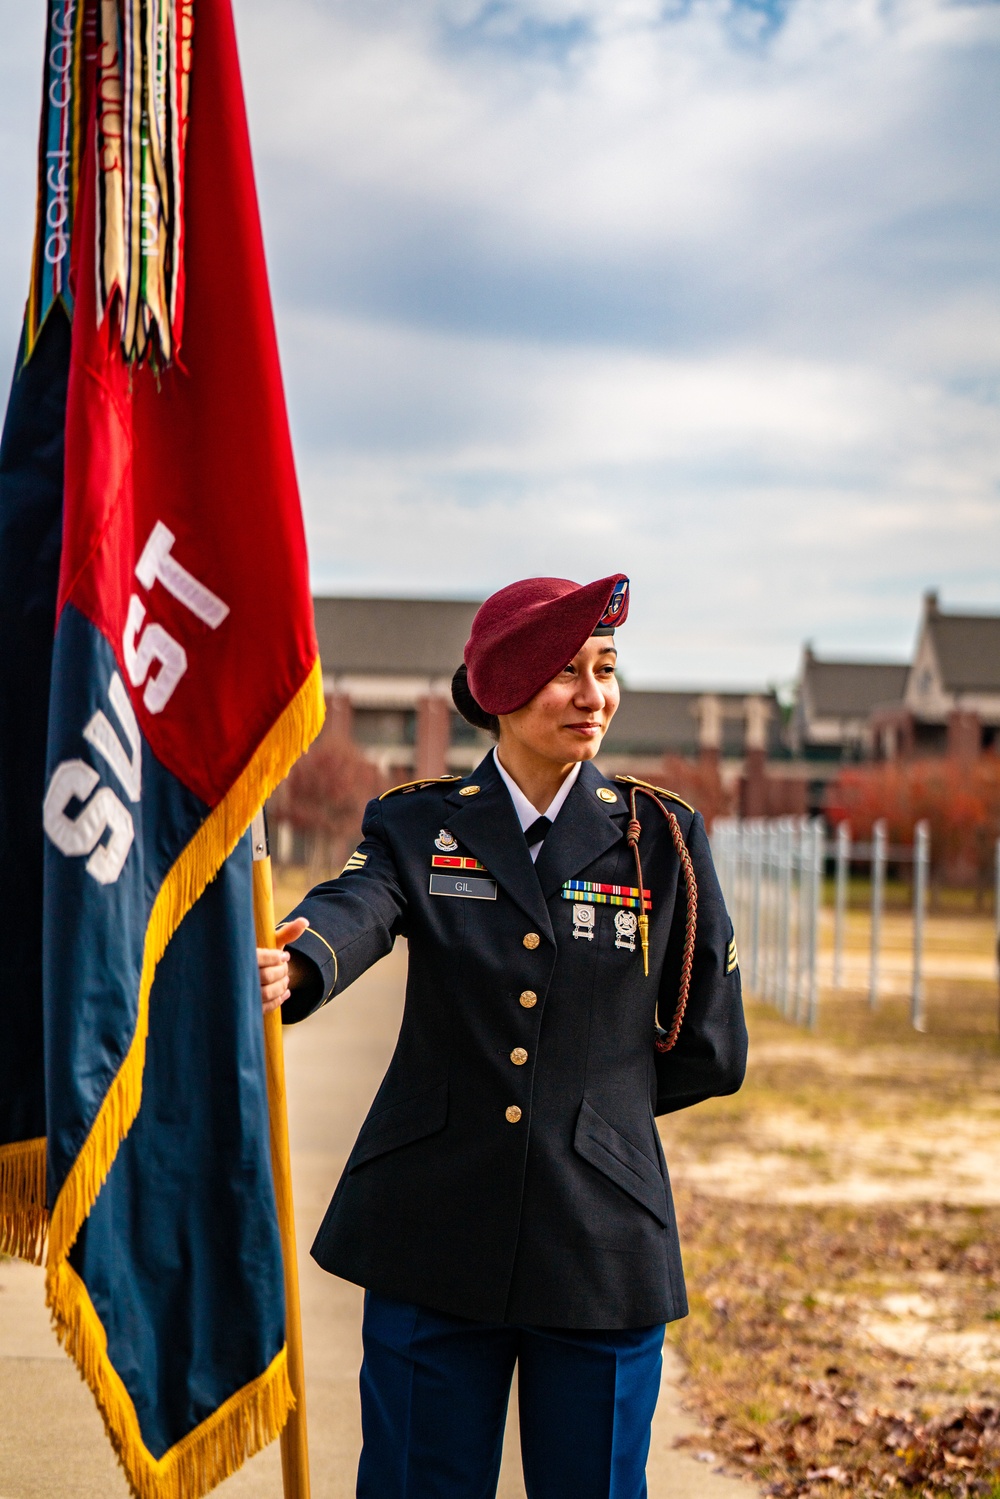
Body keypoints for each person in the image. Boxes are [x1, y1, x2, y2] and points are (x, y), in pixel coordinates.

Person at [257, 572, 747, 1499]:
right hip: (430, 1226)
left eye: (605, 669)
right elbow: (358, 905)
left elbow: (710, 1045)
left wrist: (592, 1109)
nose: (592, 695)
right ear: (501, 688)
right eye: (566, 671)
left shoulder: (661, 837)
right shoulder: (419, 824)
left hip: (599, 1236)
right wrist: (305, 960)